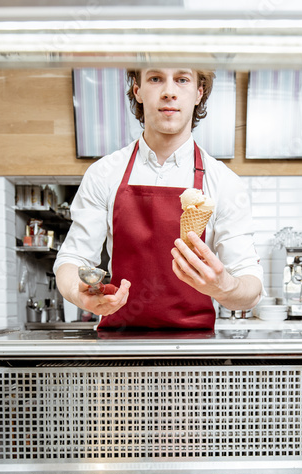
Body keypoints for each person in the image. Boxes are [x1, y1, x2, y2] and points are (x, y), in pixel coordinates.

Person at [54, 67, 263, 329]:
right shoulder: (104, 173)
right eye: (155, 79)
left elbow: (250, 289)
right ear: (138, 90)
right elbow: (72, 259)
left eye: (182, 80)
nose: (168, 92)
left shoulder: (224, 182)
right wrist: (79, 292)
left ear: (199, 93)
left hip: (196, 353)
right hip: (120, 351)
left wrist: (225, 287)